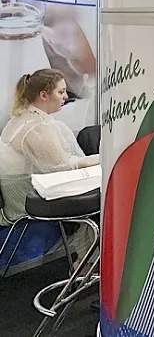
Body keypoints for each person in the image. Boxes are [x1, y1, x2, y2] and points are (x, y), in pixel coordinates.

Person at [0, 69, 99, 264]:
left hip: (20, 195)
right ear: (43, 95)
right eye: (60, 92)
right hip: (25, 200)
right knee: (100, 196)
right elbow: (63, 167)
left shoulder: (23, 119)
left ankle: (87, 261)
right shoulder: (35, 128)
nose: (66, 97)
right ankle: (85, 263)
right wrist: (103, 158)